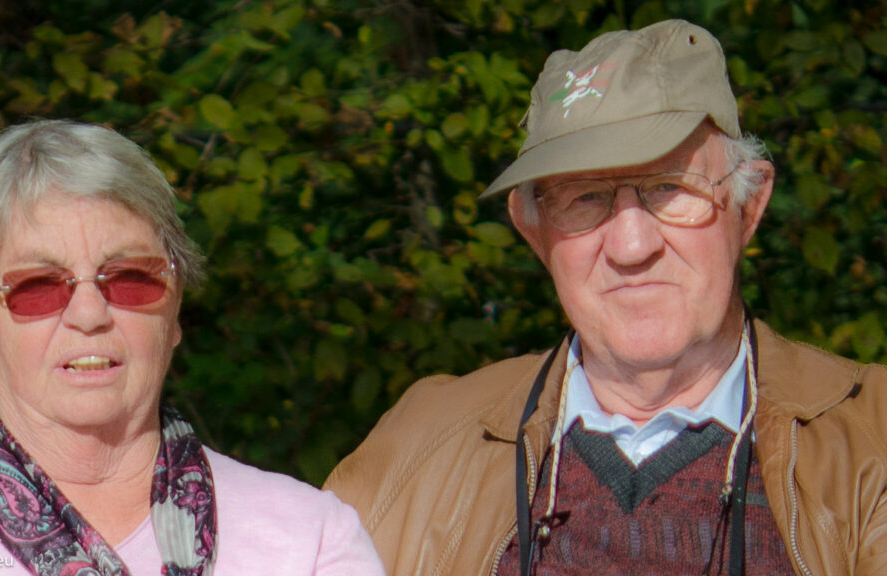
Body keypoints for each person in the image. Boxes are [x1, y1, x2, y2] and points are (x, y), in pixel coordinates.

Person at [324, 19, 887, 576]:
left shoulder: (873, 438)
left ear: (748, 206)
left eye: (670, 187)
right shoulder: (418, 448)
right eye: (585, 198)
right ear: (534, 230)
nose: (631, 245)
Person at [0, 119, 385, 576]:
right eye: (38, 285)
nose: (89, 315)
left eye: (131, 277)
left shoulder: (309, 539)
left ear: (175, 309)